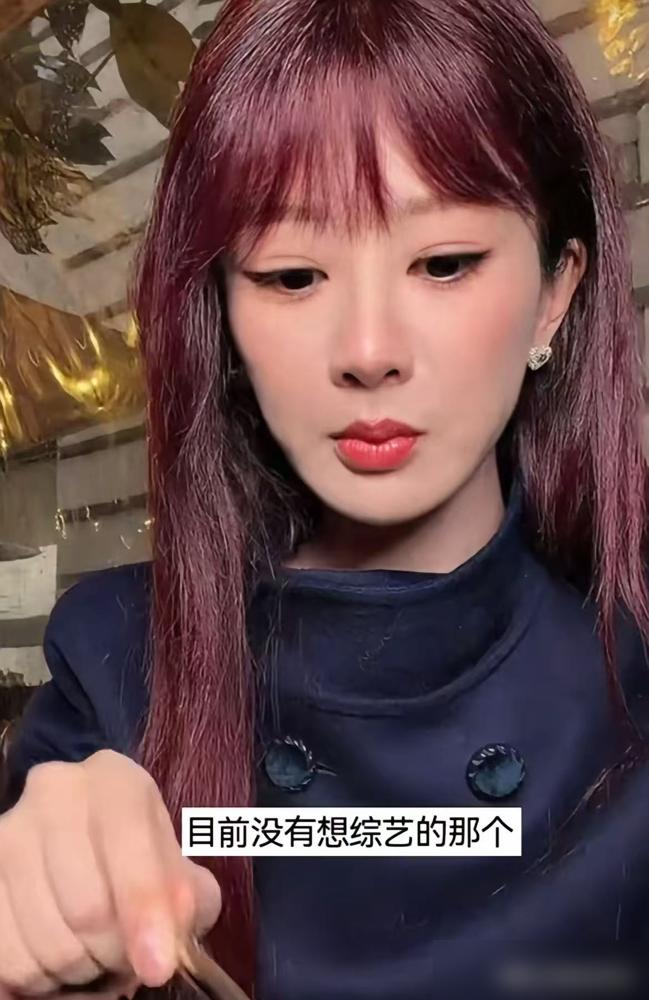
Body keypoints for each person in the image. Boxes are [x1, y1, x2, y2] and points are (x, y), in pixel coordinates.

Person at [2, 0, 649, 997]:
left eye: (443, 263)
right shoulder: (116, 667)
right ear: (222, 313)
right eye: (293, 275)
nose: (367, 351)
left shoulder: (630, 665)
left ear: (555, 292)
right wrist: (42, 914)